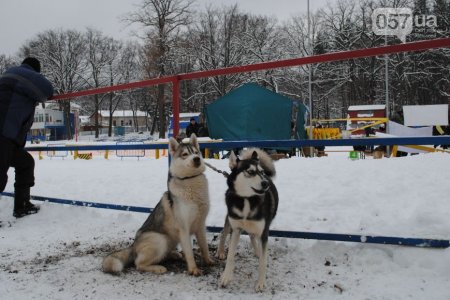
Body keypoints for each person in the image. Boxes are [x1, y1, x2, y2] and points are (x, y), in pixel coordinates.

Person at [0, 57, 54, 218]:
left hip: (9, 138)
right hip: (3, 135)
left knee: (25, 163)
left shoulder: (8, 75)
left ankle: (22, 205)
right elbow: (47, 90)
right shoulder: (27, 75)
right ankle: (21, 205)